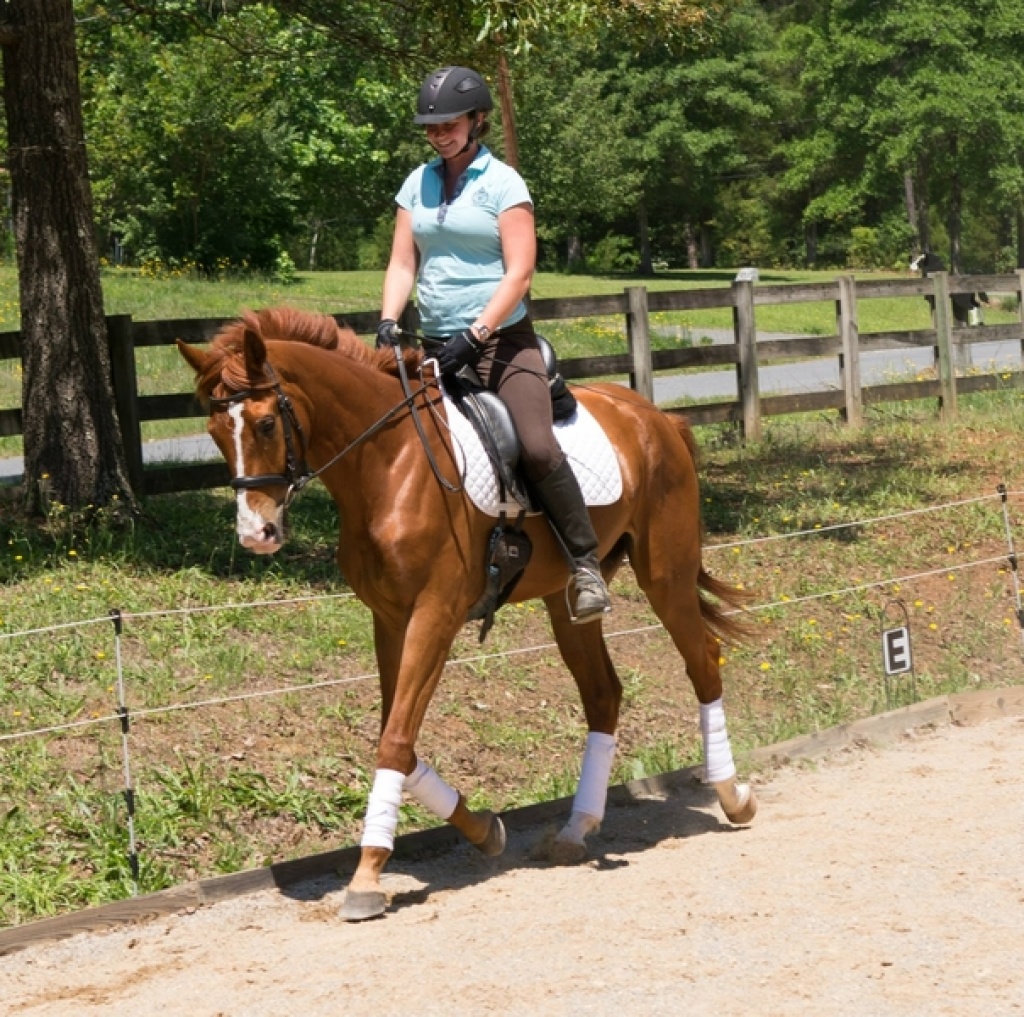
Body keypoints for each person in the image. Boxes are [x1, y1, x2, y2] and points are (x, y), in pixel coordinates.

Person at [375, 65, 610, 623]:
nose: (438, 135)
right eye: (430, 128)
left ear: (477, 120)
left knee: (534, 446)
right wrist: (388, 319)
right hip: (431, 340)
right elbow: (403, 261)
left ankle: (585, 566)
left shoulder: (505, 184)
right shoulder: (417, 183)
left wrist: (476, 333)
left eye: (449, 124)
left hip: (501, 343)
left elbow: (519, 274)